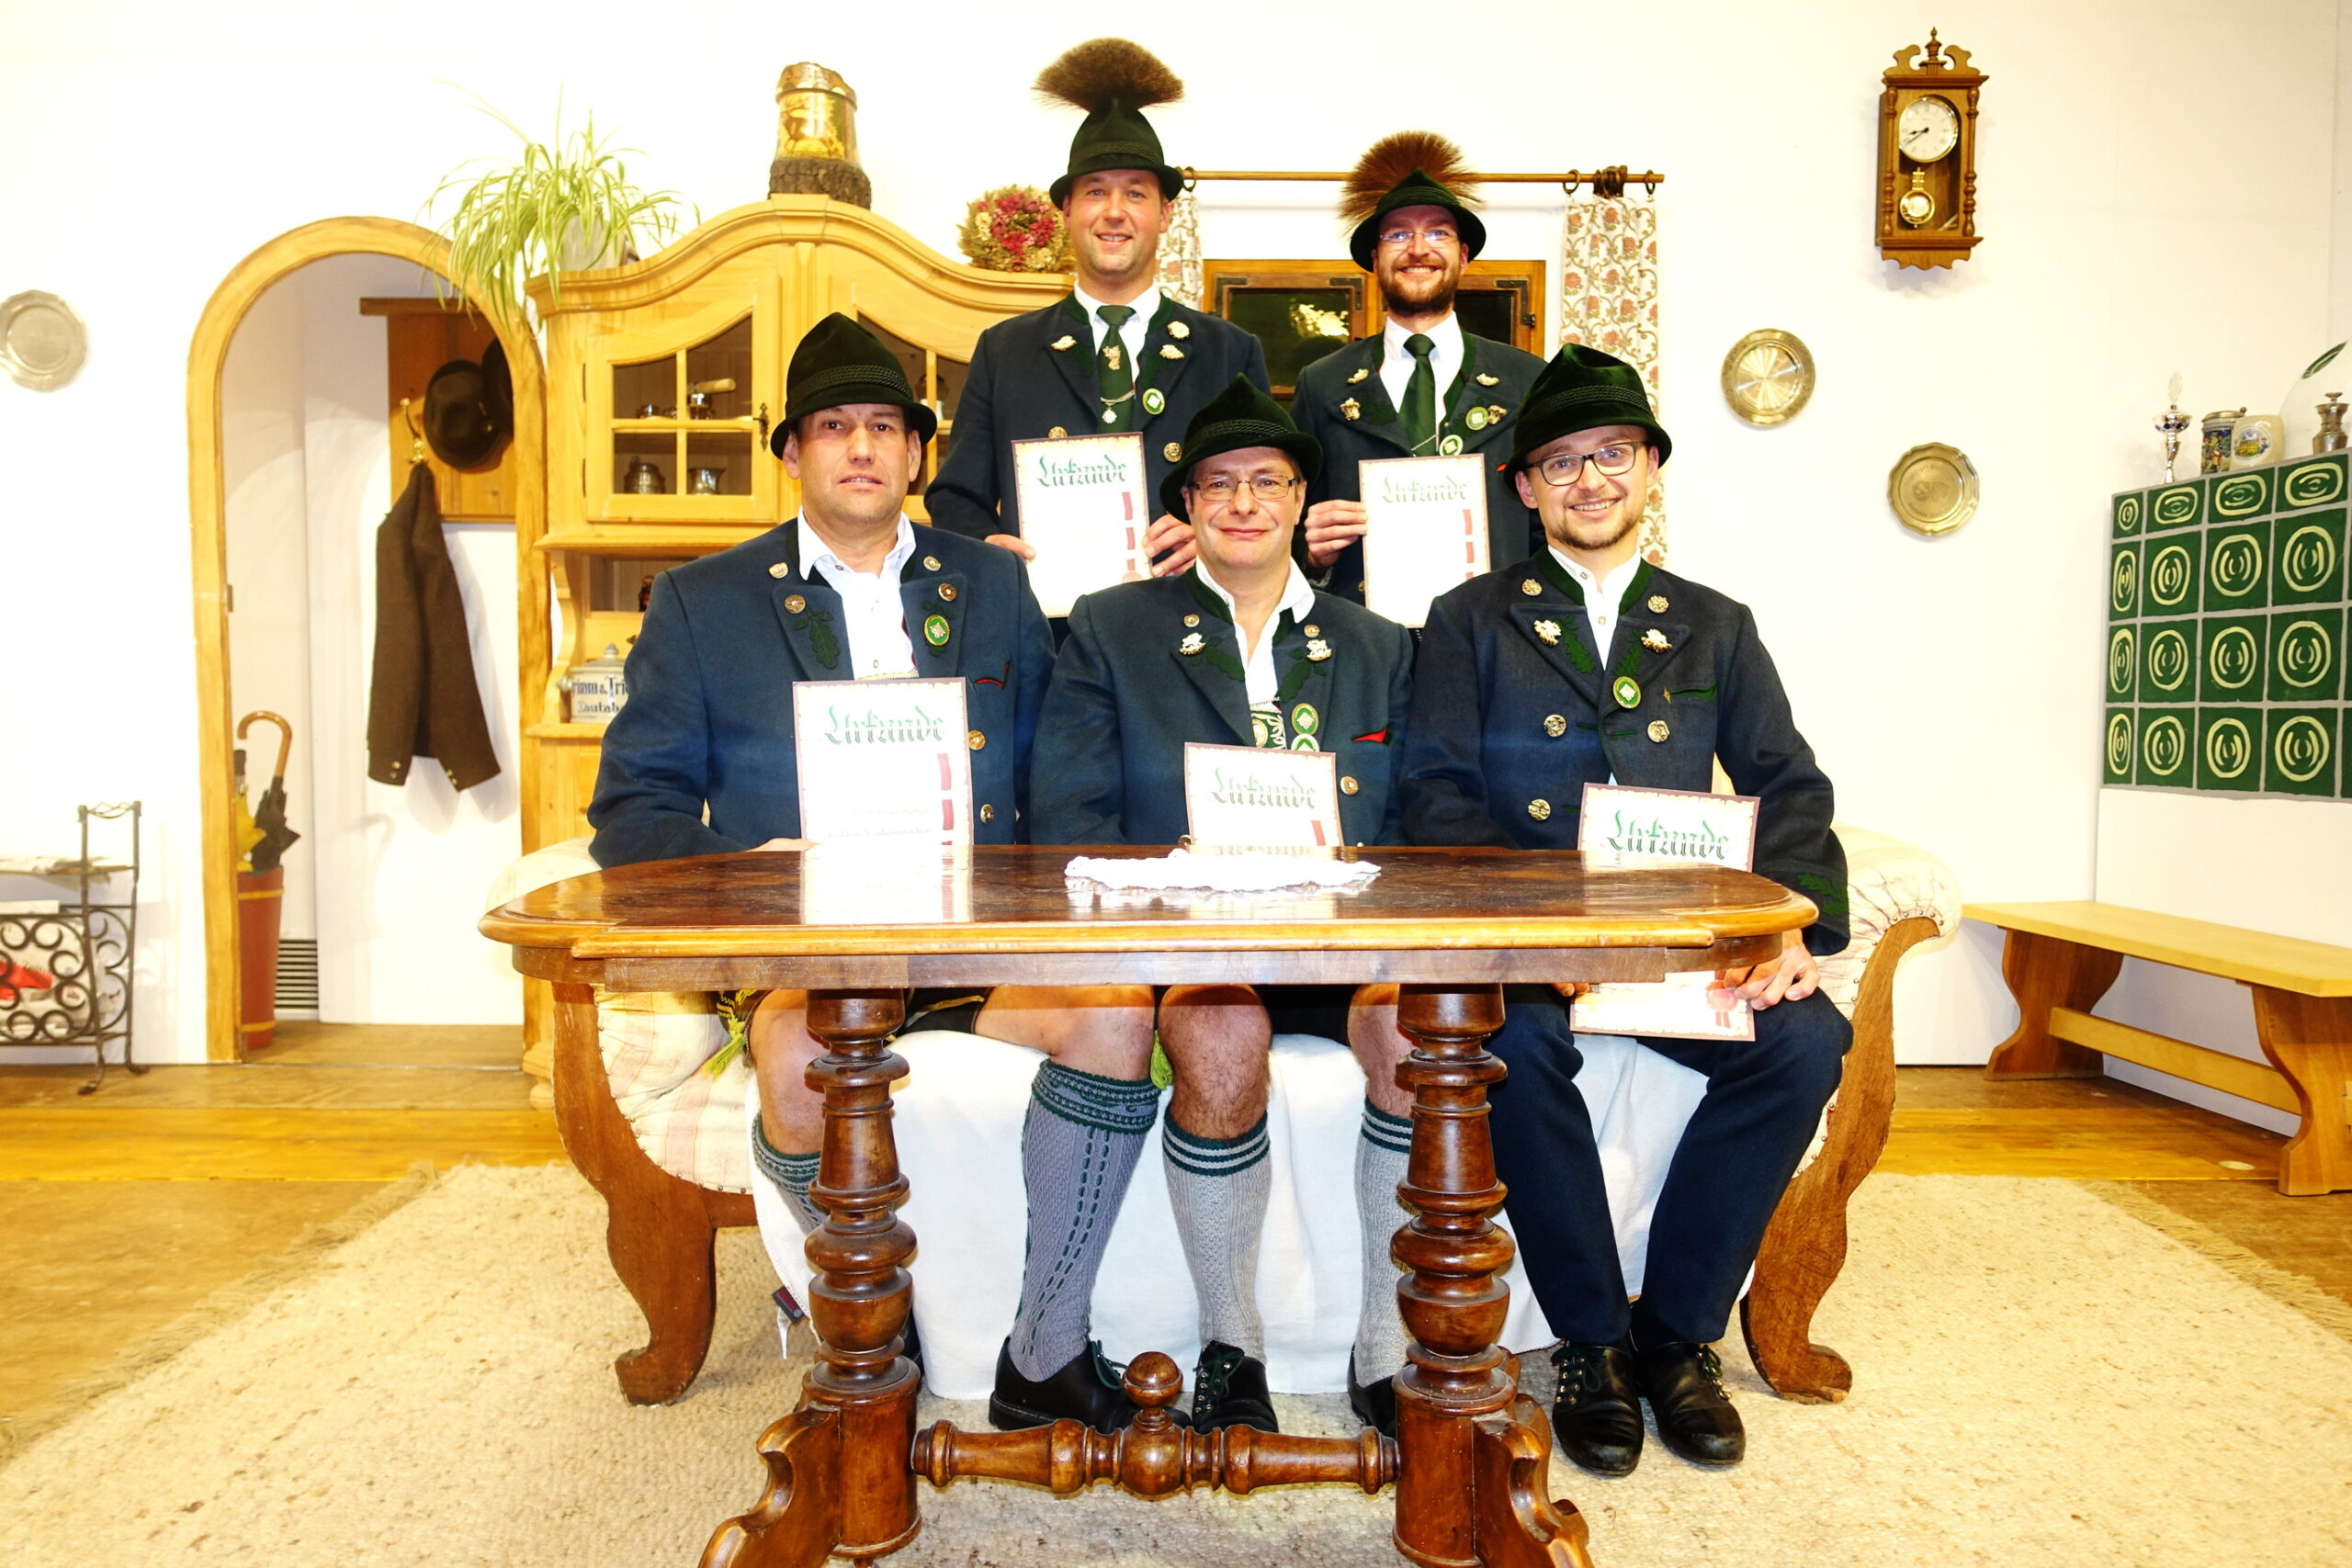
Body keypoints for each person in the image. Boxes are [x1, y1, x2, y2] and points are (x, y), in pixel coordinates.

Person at [1398, 344, 1851, 1476]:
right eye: (1560, 462)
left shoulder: (1714, 622)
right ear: (1524, 489)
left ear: (1650, 468)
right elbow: (1435, 795)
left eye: (1611, 454)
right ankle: (1592, 1341)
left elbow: (1788, 784)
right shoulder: (1466, 618)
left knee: (1807, 1043)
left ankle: (1677, 1335)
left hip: (1674, 942)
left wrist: (1787, 924)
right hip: (1532, 945)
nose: (1589, 479)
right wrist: (1536, 934)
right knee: (1505, 1047)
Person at [1027, 375, 1419, 1437]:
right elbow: (1066, 813)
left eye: (1267, 482)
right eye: (1217, 484)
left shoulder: (1379, 644)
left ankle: (1385, 1346)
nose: (1243, 503)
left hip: (1339, 937)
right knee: (1220, 1024)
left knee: (1409, 1024)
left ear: (1300, 501)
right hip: (1181, 933)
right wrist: (1175, 869)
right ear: (1187, 507)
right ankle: (1231, 1347)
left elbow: (1414, 821)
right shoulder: (1111, 627)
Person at [924, 39, 1267, 583]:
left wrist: (1211, 537)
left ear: (1165, 214)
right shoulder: (1005, 350)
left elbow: (1266, 494)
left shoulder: (1229, 352)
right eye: (1095, 192)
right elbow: (956, 496)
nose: (1114, 212)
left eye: (1136, 194)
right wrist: (985, 549)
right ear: (1066, 210)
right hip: (1045, 620)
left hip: (1190, 612)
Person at [1292, 132, 1545, 604]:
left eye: (1438, 233)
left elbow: (1551, 529)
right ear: (1375, 259)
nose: (1417, 248)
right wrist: (1312, 556)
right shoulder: (1321, 384)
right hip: (1363, 633)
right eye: (1397, 234)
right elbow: (1287, 526)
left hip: (1495, 629)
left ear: (1463, 256)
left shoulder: (1527, 380)